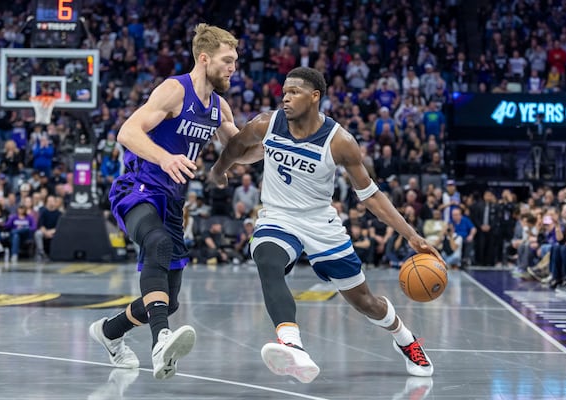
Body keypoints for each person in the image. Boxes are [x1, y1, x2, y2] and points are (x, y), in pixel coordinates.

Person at [209, 67, 443, 383]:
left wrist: (412, 236)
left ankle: (405, 338)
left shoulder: (340, 142)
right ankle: (292, 345)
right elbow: (236, 145)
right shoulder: (267, 123)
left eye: (294, 92)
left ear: (315, 96)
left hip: (321, 223)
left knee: (366, 303)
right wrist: (219, 169)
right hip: (279, 217)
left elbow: (371, 197)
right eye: (284, 92)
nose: (286, 97)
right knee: (267, 259)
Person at [89, 24, 261, 380]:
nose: (233, 68)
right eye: (228, 61)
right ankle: (160, 341)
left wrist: (278, 146)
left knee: (168, 299)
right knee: (157, 243)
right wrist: (164, 157)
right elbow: (127, 132)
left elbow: (242, 151)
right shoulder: (174, 90)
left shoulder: (219, 108)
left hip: (171, 201)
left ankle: (109, 332)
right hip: (137, 188)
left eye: (236, 62)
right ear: (204, 58)